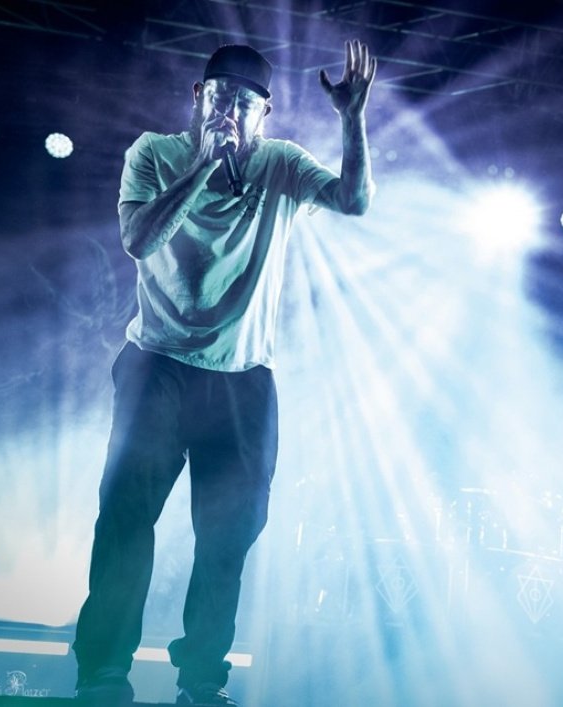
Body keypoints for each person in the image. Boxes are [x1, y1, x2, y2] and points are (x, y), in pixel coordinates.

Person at [72, 41, 377, 706]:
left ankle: (202, 680)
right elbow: (140, 239)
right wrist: (205, 166)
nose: (231, 111)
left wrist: (352, 119)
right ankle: (103, 673)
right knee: (126, 517)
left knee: (228, 539)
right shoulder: (155, 154)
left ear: (265, 113)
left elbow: (353, 201)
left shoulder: (281, 164)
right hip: (157, 365)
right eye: (221, 96)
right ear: (198, 97)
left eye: (245, 102)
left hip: (241, 378)